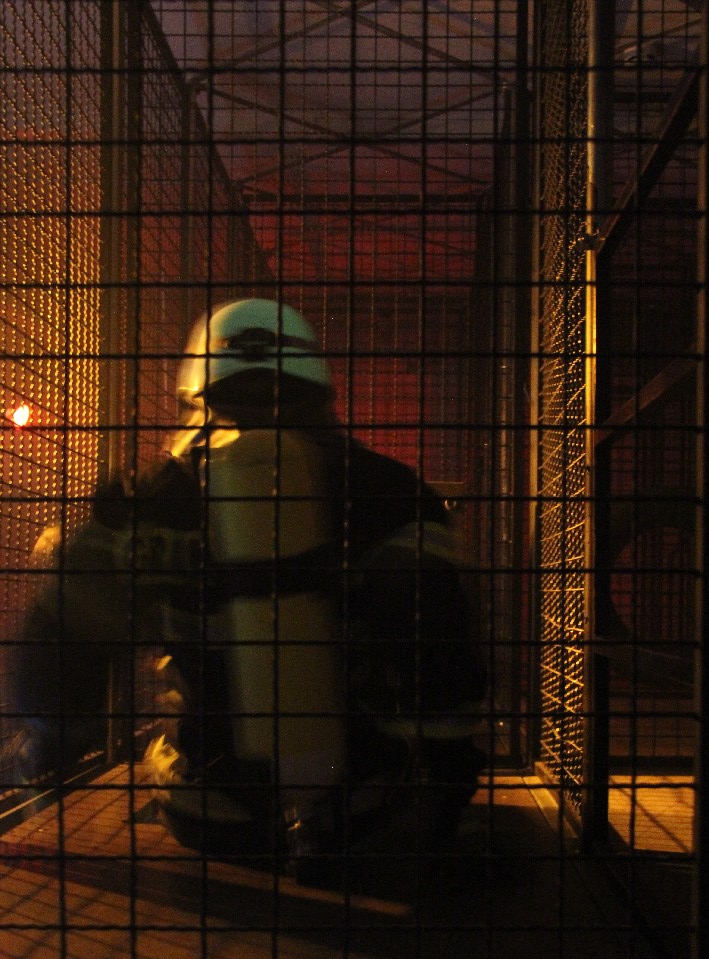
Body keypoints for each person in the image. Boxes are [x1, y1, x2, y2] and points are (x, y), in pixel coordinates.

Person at [9, 298, 487, 885]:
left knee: (64, 556)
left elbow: (61, 647)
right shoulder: (394, 493)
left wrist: (48, 742)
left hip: (210, 809)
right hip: (361, 806)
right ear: (318, 388)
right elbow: (446, 650)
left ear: (197, 391)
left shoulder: (143, 500)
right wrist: (442, 790)